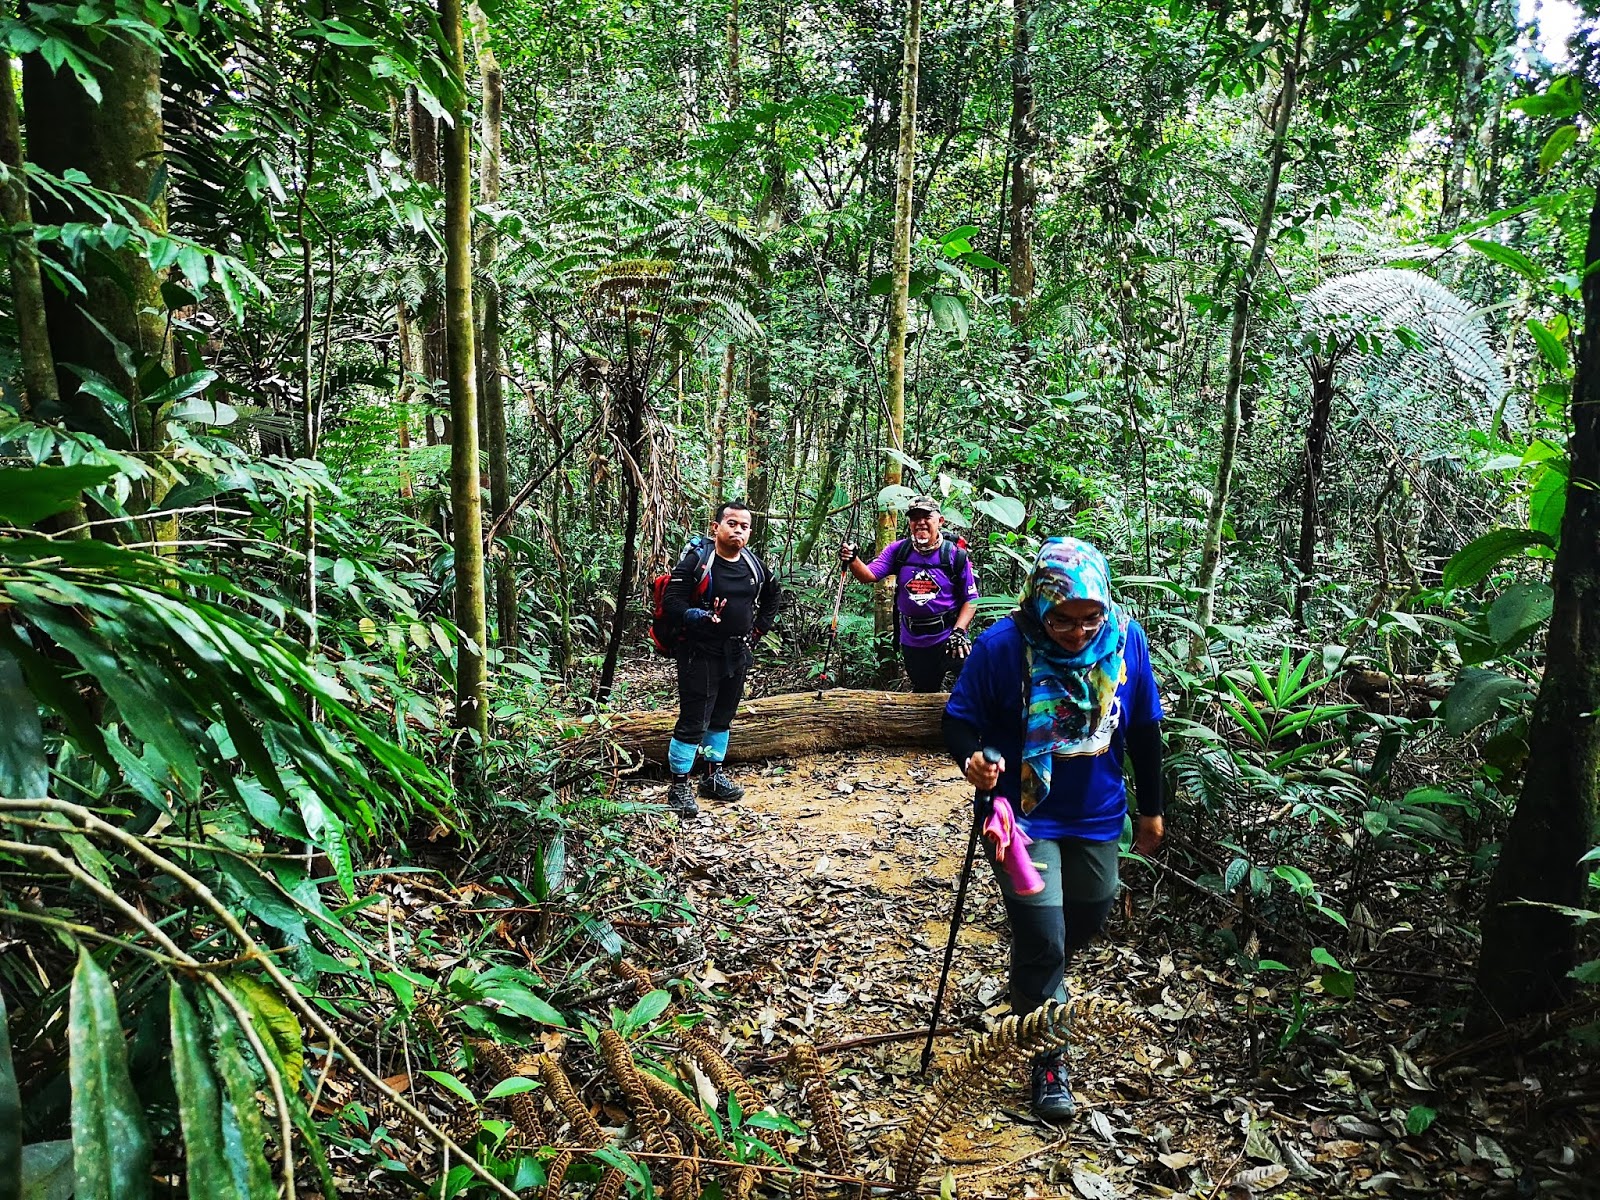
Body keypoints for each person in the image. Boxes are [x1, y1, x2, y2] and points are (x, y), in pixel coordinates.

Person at [942, 537, 1165, 1122]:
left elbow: (1143, 731)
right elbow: (959, 721)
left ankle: (1037, 977)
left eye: (1090, 617)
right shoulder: (1003, 647)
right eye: (1063, 619)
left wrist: (1151, 809)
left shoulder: (1126, 641)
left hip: (1097, 811)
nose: (1078, 631)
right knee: (1044, 934)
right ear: (1040, 604)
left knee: (1090, 909)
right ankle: (1047, 1058)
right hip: (1019, 815)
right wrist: (972, 759)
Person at [660, 501, 781, 817]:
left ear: (750, 532)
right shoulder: (697, 563)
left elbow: (773, 595)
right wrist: (698, 616)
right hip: (698, 653)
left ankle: (712, 777)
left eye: (744, 526)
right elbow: (672, 601)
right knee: (693, 720)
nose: (738, 530)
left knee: (722, 718)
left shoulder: (753, 565)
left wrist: (757, 631)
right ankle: (679, 784)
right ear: (716, 527)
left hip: (736, 653)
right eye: (731, 523)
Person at [838, 495, 978, 692]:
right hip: (914, 640)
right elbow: (868, 575)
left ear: (940, 521)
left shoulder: (955, 555)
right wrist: (853, 559)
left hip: (949, 637)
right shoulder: (899, 551)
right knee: (924, 692)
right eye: (914, 518)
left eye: (926, 517)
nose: (920, 522)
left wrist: (959, 631)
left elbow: (971, 599)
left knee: (972, 688)